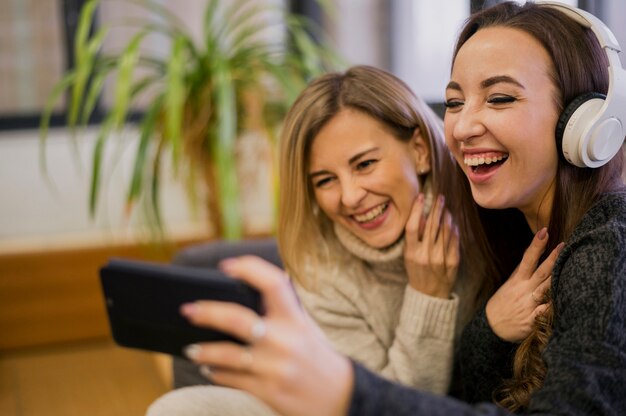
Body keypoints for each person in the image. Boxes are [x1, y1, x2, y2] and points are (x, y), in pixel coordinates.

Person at [172, 2, 626, 415]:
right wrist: (487, 328)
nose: (464, 126)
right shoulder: (505, 218)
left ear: (585, 122)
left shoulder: (605, 240)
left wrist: (346, 391)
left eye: (500, 97)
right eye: (453, 103)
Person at [148, 65, 518, 415]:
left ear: (419, 150)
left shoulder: (485, 207)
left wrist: (488, 327)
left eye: (365, 164)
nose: (350, 196)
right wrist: (428, 298)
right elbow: (371, 407)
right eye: (325, 180)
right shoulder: (320, 270)